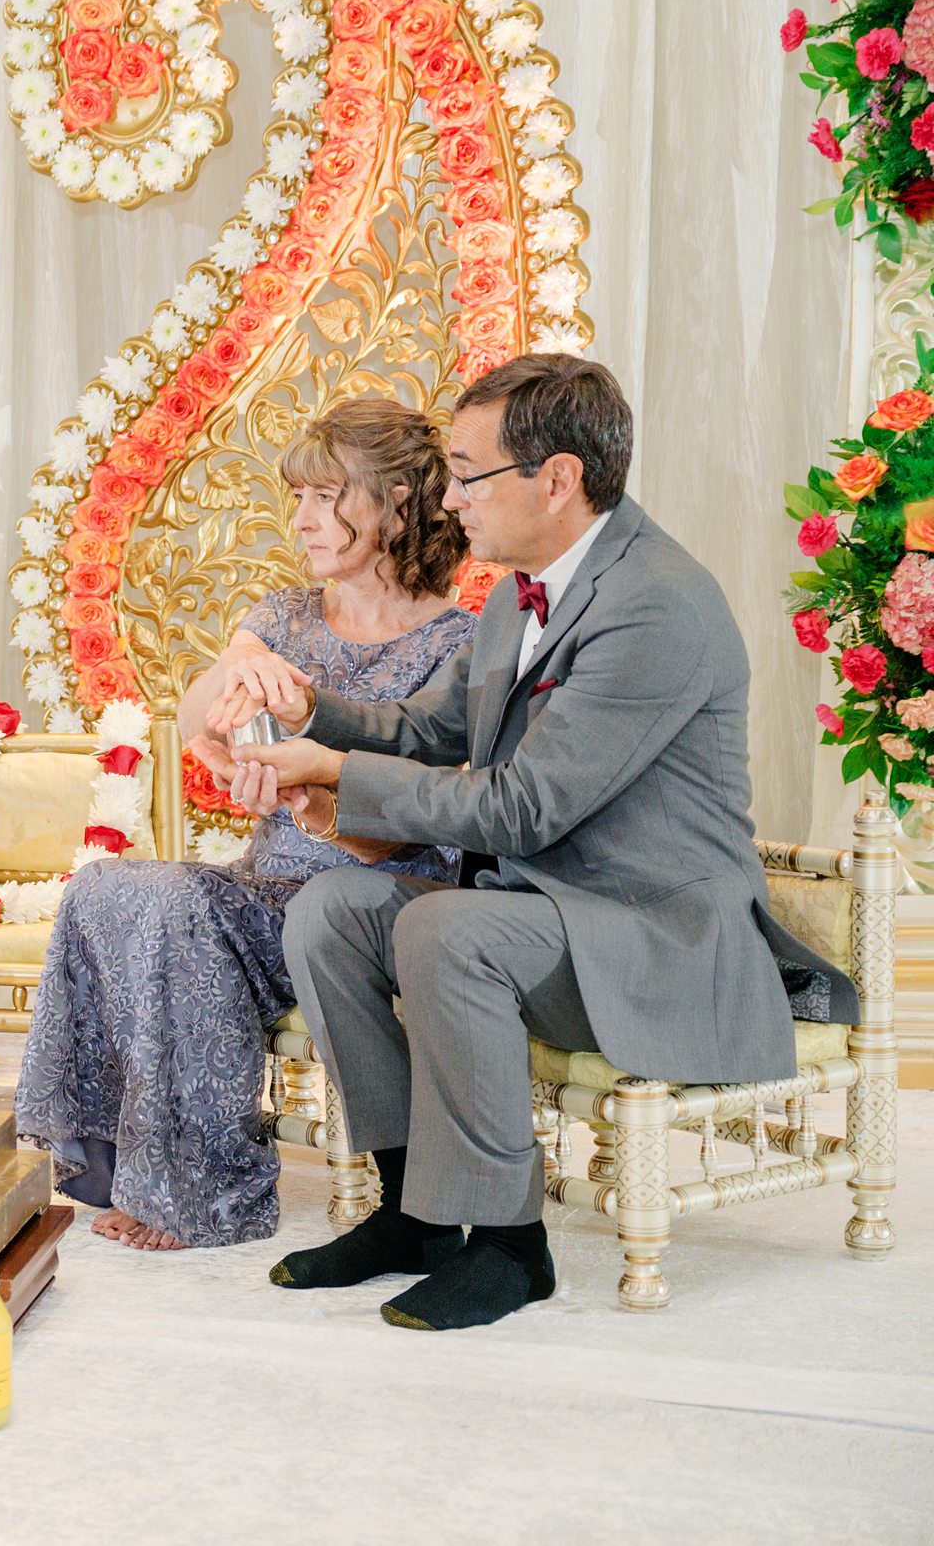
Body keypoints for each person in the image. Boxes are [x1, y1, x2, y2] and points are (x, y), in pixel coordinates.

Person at [222, 355, 855, 1329]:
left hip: (653, 936)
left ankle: (513, 1248)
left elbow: (525, 810)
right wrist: (317, 710)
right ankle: (411, 1212)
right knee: (333, 909)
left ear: (556, 479)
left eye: (470, 475)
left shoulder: (655, 602)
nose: (453, 498)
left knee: (447, 931)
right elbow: (429, 730)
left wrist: (333, 777)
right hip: (552, 912)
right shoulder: (521, 593)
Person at [17, 399, 476, 1251]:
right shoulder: (285, 615)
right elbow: (197, 712)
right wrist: (238, 669)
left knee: (185, 908)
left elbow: (427, 821)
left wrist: (312, 805)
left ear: (401, 501)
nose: (300, 518)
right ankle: (132, 1166)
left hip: (382, 899)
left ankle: (206, 1193)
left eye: (326, 495)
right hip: (271, 891)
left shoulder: (461, 645)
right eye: (296, 495)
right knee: (110, 886)